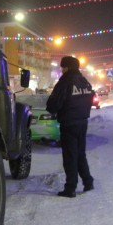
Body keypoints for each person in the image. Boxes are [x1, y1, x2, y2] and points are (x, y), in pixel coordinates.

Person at [46, 56, 94, 198]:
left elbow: (53, 104)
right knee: (80, 153)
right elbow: (90, 99)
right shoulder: (84, 81)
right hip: (82, 122)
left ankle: (70, 188)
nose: (62, 70)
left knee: (70, 156)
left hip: (69, 123)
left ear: (66, 67)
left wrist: (54, 108)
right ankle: (88, 181)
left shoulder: (65, 81)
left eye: (63, 67)